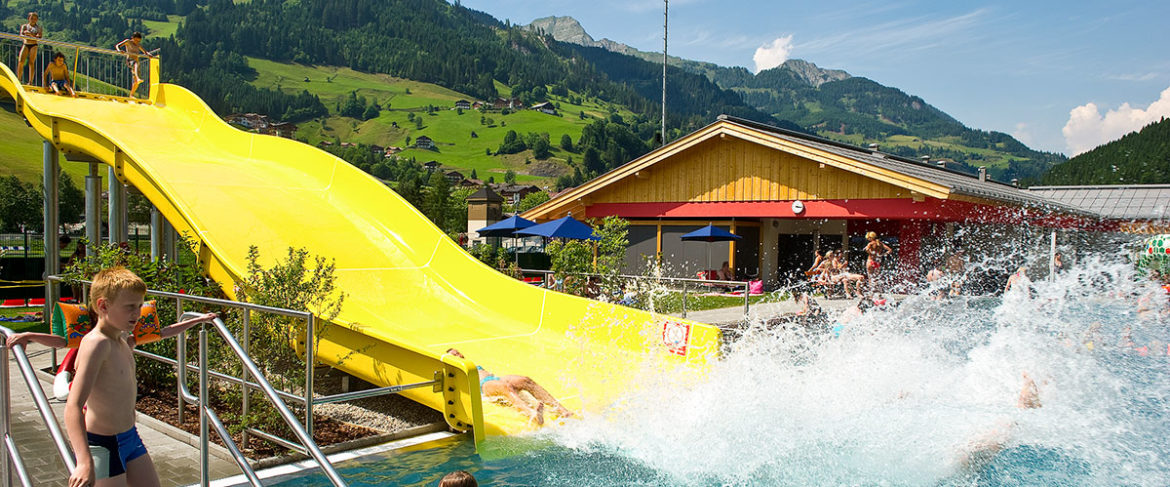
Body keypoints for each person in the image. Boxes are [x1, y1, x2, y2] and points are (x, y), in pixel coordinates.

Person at [7, 267, 217, 487]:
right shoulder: (96, 344)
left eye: (138, 306)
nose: (137, 314)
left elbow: (164, 331)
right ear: (104, 306)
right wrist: (84, 462)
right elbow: (73, 406)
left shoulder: (124, 339)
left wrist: (198, 320)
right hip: (103, 444)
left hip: (130, 436)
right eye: (129, 308)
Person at [445, 348, 572, 426]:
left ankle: (562, 410)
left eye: (458, 353)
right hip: (483, 386)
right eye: (454, 355)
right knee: (504, 387)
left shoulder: (473, 365)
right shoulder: (459, 371)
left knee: (525, 380)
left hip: (495, 379)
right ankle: (533, 415)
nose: (458, 355)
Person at [17, 12, 42, 85]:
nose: (33, 20)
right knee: (21, 61)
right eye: (32, 18)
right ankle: (19, 79)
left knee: (31, 63)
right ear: (28, 19)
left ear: (37, 20)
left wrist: (29, 34)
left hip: (34, 45)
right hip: (26, 44)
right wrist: (31, 36)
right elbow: (21, 35)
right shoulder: (24, 26)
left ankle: (30, 81)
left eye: (35, 19)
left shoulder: (38, 28)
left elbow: (39, 37)